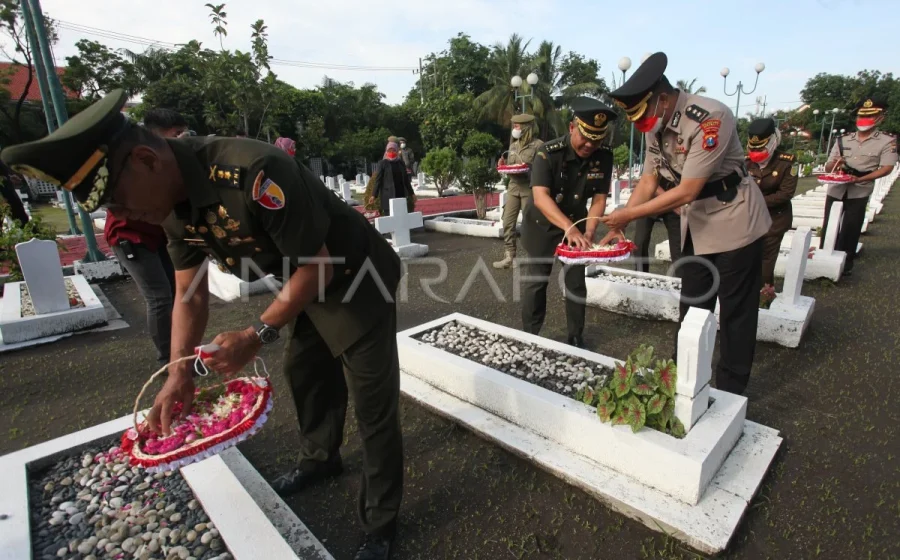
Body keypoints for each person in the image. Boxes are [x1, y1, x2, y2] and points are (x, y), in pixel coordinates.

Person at [2, 90, 404, 560]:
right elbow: (188, 294)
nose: (120, 216)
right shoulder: (170, 202)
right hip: (303, 279)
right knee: (306, 373)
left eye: (119, 201)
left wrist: (256, 335)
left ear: (146, 160)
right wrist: (178, 373)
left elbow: (319, 267)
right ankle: (321, 460)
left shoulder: (252, 171)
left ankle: (381, 522)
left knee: (372, 403)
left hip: (356, 277)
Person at [602, 52, 771, 396]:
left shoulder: (710, 118)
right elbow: (649, 180)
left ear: (663, 99)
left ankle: (730, 392)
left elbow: (687, 190)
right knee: (692, 305)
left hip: (735, 219)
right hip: (697, 224)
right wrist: (620, 226)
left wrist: (629, 215)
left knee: (736, 313)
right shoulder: (656, 125)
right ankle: (682, 381)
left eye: (642, 114)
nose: (641, 123)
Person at [520, 97, 616, 348]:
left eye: (597, 139)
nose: (590, 144)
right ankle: (530, 335)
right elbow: (541, 197)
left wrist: (590, 230)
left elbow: (599, 198)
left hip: (576, 223)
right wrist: (569, 228)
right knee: (537, 282)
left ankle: (575, 337)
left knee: (575, 282)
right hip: (542, 225)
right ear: (572, 127)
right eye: (585, 137)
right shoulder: (548, 153)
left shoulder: (604, 156)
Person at [105, 108, 188, 368]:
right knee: (159, 297)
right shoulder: (134, 161)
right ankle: (168, 360)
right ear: (156, 135)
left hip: (158, 236)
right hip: (130, 236)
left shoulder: (170, 160)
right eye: (176, 133)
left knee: (175, 293)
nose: (183, 138)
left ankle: (181, 351)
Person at [821, 98, 897, 276]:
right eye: (861, 116)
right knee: (830, 223)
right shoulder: (843, 139)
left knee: (851, 225)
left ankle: (846, 262)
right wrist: (834, 165)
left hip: (860, 187)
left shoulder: (886, 141)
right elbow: (829, 166)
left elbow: (886, 168)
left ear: (880, 118)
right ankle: (824, 256)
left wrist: (860, 179)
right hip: (837, 188)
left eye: (870, 116)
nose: (864, 120)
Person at [745, 118, 797, 287]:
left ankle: (764, 291)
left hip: (774, 219)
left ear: (773, 142)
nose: (756, 152)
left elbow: (785, 193)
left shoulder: (786, 163)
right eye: (753, 148)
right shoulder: (746, 163)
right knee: (747, 256)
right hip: (748, 219)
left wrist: (754, 201)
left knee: (766, 258)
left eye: (761, 148)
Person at [493, 113, 543, 269]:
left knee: (530, 225)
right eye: (514, 125)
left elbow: (543, 169)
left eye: (517, 126)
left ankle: (534, 257)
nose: (514, 128)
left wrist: (528, 169)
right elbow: (511, 166)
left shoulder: (539, 145)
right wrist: (502, 165)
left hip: (529, 189)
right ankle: (509, 256)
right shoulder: (513, 146)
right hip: (514, 187)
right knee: (507, 221)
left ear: (526, 127)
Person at [631, 206, 681, 274]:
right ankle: (641, 274)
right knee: (640, 243)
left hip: (671, 205)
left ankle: (682, 276)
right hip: (648, 205)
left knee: (678, 246)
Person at [369, 141, 412, 215]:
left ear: (397, 151)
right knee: (389, 216)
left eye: (393, 150)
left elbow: (406, 180)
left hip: (400, 194)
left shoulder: (401, 163)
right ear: (386, 151)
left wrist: (412, 193)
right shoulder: (382, 163)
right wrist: (373, 195)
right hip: (387, 196)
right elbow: (378, 180)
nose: (391, 152)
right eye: (389, 150)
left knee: (401, 215)